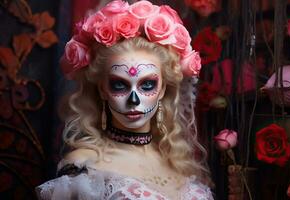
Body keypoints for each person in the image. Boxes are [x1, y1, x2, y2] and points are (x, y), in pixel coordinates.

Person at [36, 0, 214, 199]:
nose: (134, 100)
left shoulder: (178, 161)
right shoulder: (84, 167)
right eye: (119, 85)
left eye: (147, 85)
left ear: (163, 89)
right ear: (102, 89)